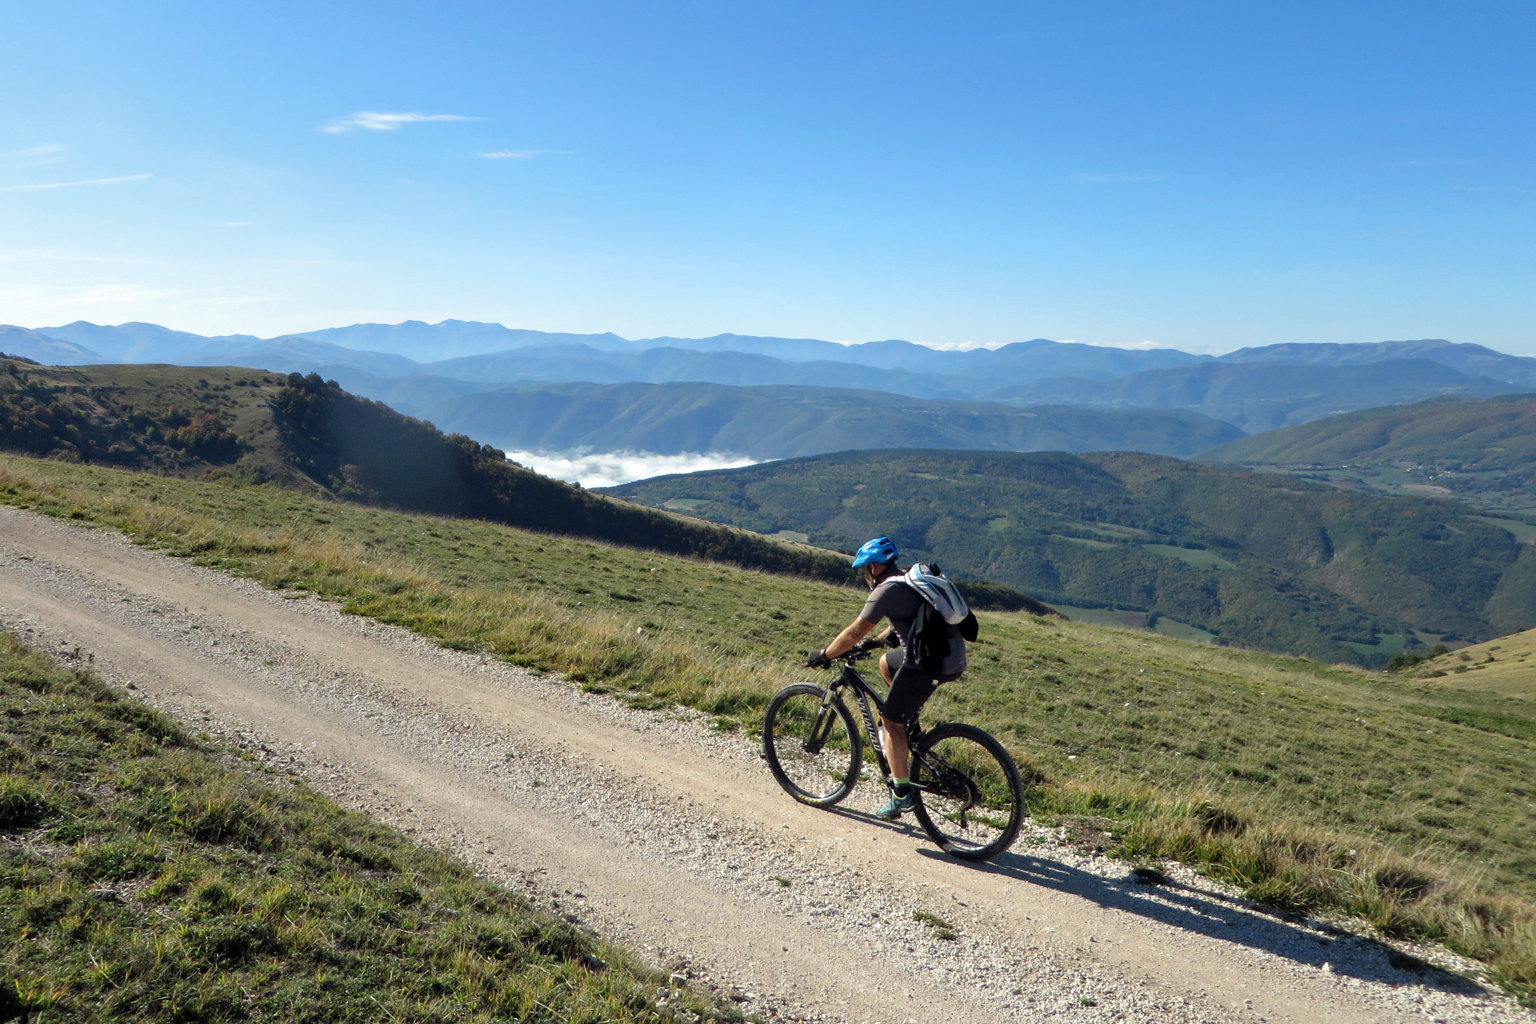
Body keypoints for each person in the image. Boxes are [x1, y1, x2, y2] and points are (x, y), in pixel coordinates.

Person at [806, 536, 967, 820]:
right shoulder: (909, 579)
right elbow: (905, 625)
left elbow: (854, 631)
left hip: (927, 663)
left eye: (864, 569)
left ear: (872, 568)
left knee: (891, 722)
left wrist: (825, 654)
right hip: (950, 657)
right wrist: (875, 643)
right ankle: (908, 721)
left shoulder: (885, 590)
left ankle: (901, 794)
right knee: (886, 663)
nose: (864, 576)